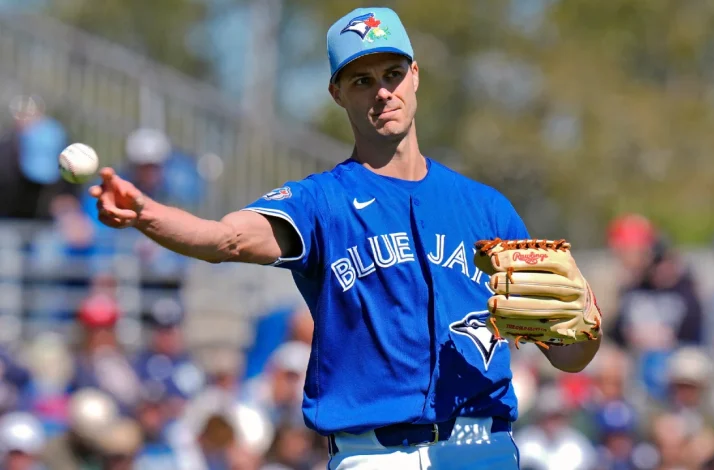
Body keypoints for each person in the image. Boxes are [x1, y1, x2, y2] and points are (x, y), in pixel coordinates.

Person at [87, 7, 601, 469]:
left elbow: (566, 356)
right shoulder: (321, 202)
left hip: (480, 447)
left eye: (393, 74)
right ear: (337, 92)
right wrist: (147, 215)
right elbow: (226, 239)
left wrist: (585, 330)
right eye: (362, 80)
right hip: (374, 456)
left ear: (415, 76)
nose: (383, 91)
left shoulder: (487, 209)